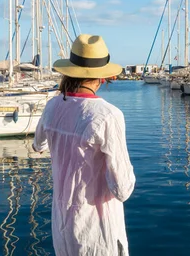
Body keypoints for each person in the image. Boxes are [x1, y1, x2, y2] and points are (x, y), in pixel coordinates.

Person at [33, 34, 136, 256]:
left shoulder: (52, 107)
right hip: (97, 229)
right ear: (102, 76)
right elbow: (122, 189)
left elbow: (38, 145)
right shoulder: (108, 115)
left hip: (62, 225)